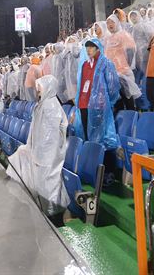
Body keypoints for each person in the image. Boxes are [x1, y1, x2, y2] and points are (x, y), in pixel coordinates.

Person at [6, 75, 69, 217]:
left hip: (48, 154)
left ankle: (52, 211)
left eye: (40, 88)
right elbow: (36, 129)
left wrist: (40, 152)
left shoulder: (51, 106)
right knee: (22, 155)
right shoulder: (42, 104)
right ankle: (44, 206)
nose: (38, 91)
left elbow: (50, 137)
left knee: (48, 181)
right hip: (38, 150)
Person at [73, 39, 120, 150]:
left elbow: (113, 85)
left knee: (99, 138)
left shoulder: (106, 63)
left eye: (91, 47)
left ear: (98, 48)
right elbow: (81, 84)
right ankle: (90, 161)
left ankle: (101, 162)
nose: (88, 50)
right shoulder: (84, 64)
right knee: (86, 135)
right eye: (87, 48)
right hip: (83, 104)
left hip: (98, 106)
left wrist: (108, 102)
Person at [105, 14, 141, 111]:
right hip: (113, 73)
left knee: (127, 97)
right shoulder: (108, 39)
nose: (110, 24)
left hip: (123, 73)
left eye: (112, 22)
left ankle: (133, 118)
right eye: (108, 23)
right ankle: (122, 121)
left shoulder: (123, 34)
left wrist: (126, 66)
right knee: (117, 98)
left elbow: (131, 50)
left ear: (117, 23)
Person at [129, 10, 154, 110]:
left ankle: (149, 103)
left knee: (147, 79)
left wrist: (148, 50)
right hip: (137, 58)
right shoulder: (132, 29)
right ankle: (143, 104)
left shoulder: (144, 25)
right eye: (131, 16)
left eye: (135, 16)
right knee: (140, 80)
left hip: (146, 55)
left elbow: (151, 38)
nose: (133, 18)